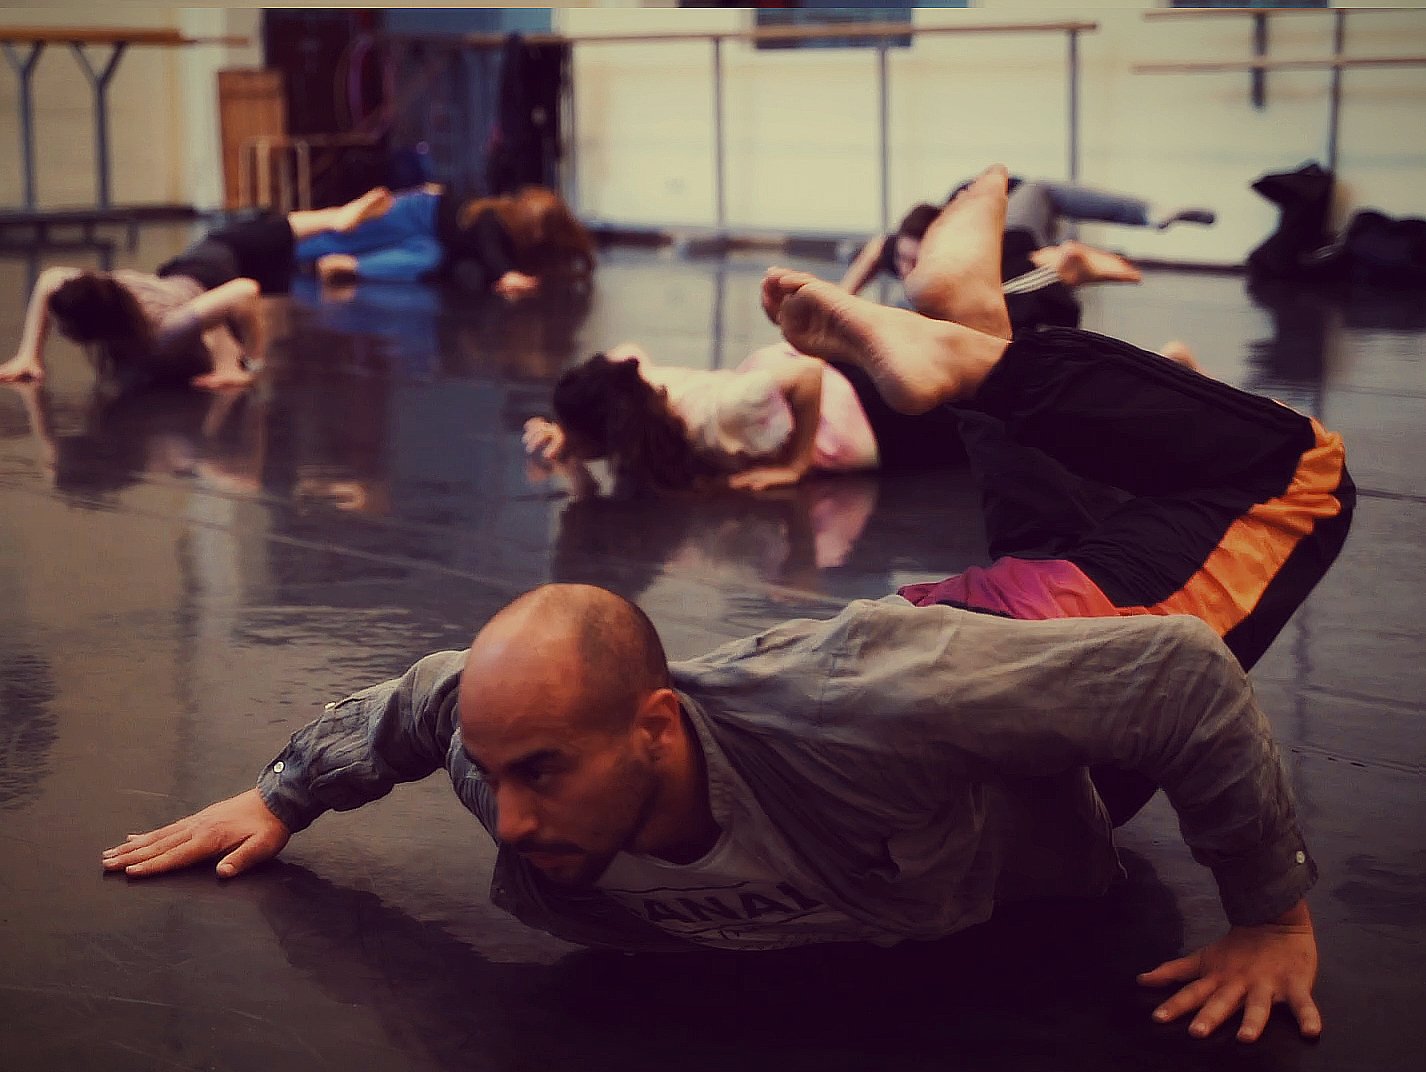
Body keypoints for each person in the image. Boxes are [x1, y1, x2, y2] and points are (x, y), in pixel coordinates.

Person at [103, 166, 1352, 1044]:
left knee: (1301, 476)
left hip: (1018, 656)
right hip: (959, 632)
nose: (511, 817)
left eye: (541, 770)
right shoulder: (518, 780)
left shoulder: (856, 708)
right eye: (504, 774)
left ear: (655, 728)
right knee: (1043, 527)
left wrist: (1268, 913)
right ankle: (977, 323)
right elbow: (433, 698)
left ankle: (988, 352)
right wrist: (277, 790)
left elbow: (1185, 674)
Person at [0, 189, 394, 392]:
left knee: (240, 238)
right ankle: (335, 219)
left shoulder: (163, 330)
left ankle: (335, 218)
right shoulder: (107, 292)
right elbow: (50, 279)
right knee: (249, 238)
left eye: (62, 328)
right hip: (184, 278)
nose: (58, 330)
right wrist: (28, 355)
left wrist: (245, 363)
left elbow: (242, 291)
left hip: (208, 270)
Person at [840, 175, 1215, 319]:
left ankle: (1148, 213)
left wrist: (1079, 263)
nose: (906, 267)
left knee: (1037, 192)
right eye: (903, 259)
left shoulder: (998, 246)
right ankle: (1144, 214)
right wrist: (840, 298)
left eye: (915, 260)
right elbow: (877, 248)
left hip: (1012, 237)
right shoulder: (897, 251)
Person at [294, 184, 597, 300]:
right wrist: (506, 274)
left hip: (431, 242)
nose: (536, 236)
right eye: (532, 228)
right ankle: (287, 246)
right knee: (345, 234)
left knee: (427, 260)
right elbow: (488, 246)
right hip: (418, 213)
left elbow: (577, 250)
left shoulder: (527, 235)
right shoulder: (494, 217)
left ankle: (345, 266)